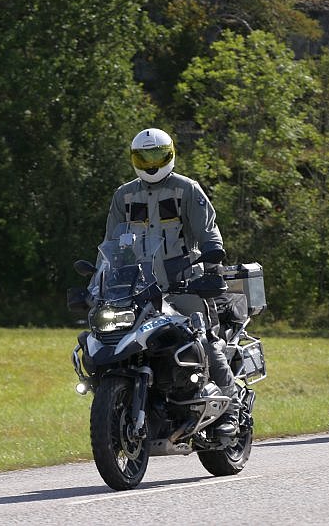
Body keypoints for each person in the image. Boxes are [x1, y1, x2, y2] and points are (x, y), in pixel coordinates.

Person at [100, 127, 239, 436]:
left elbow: (208, 229)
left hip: (183, 285)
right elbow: (111, 242)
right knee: (115, 343)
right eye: (143, 157)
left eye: (157, 155)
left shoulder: (186, 189)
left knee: (205, 341)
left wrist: (214, 254)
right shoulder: (124, 195)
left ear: (170, 154)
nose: (151, 163)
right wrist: (100, 282)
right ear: (134, 159)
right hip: (137, 290)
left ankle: (231, 408)